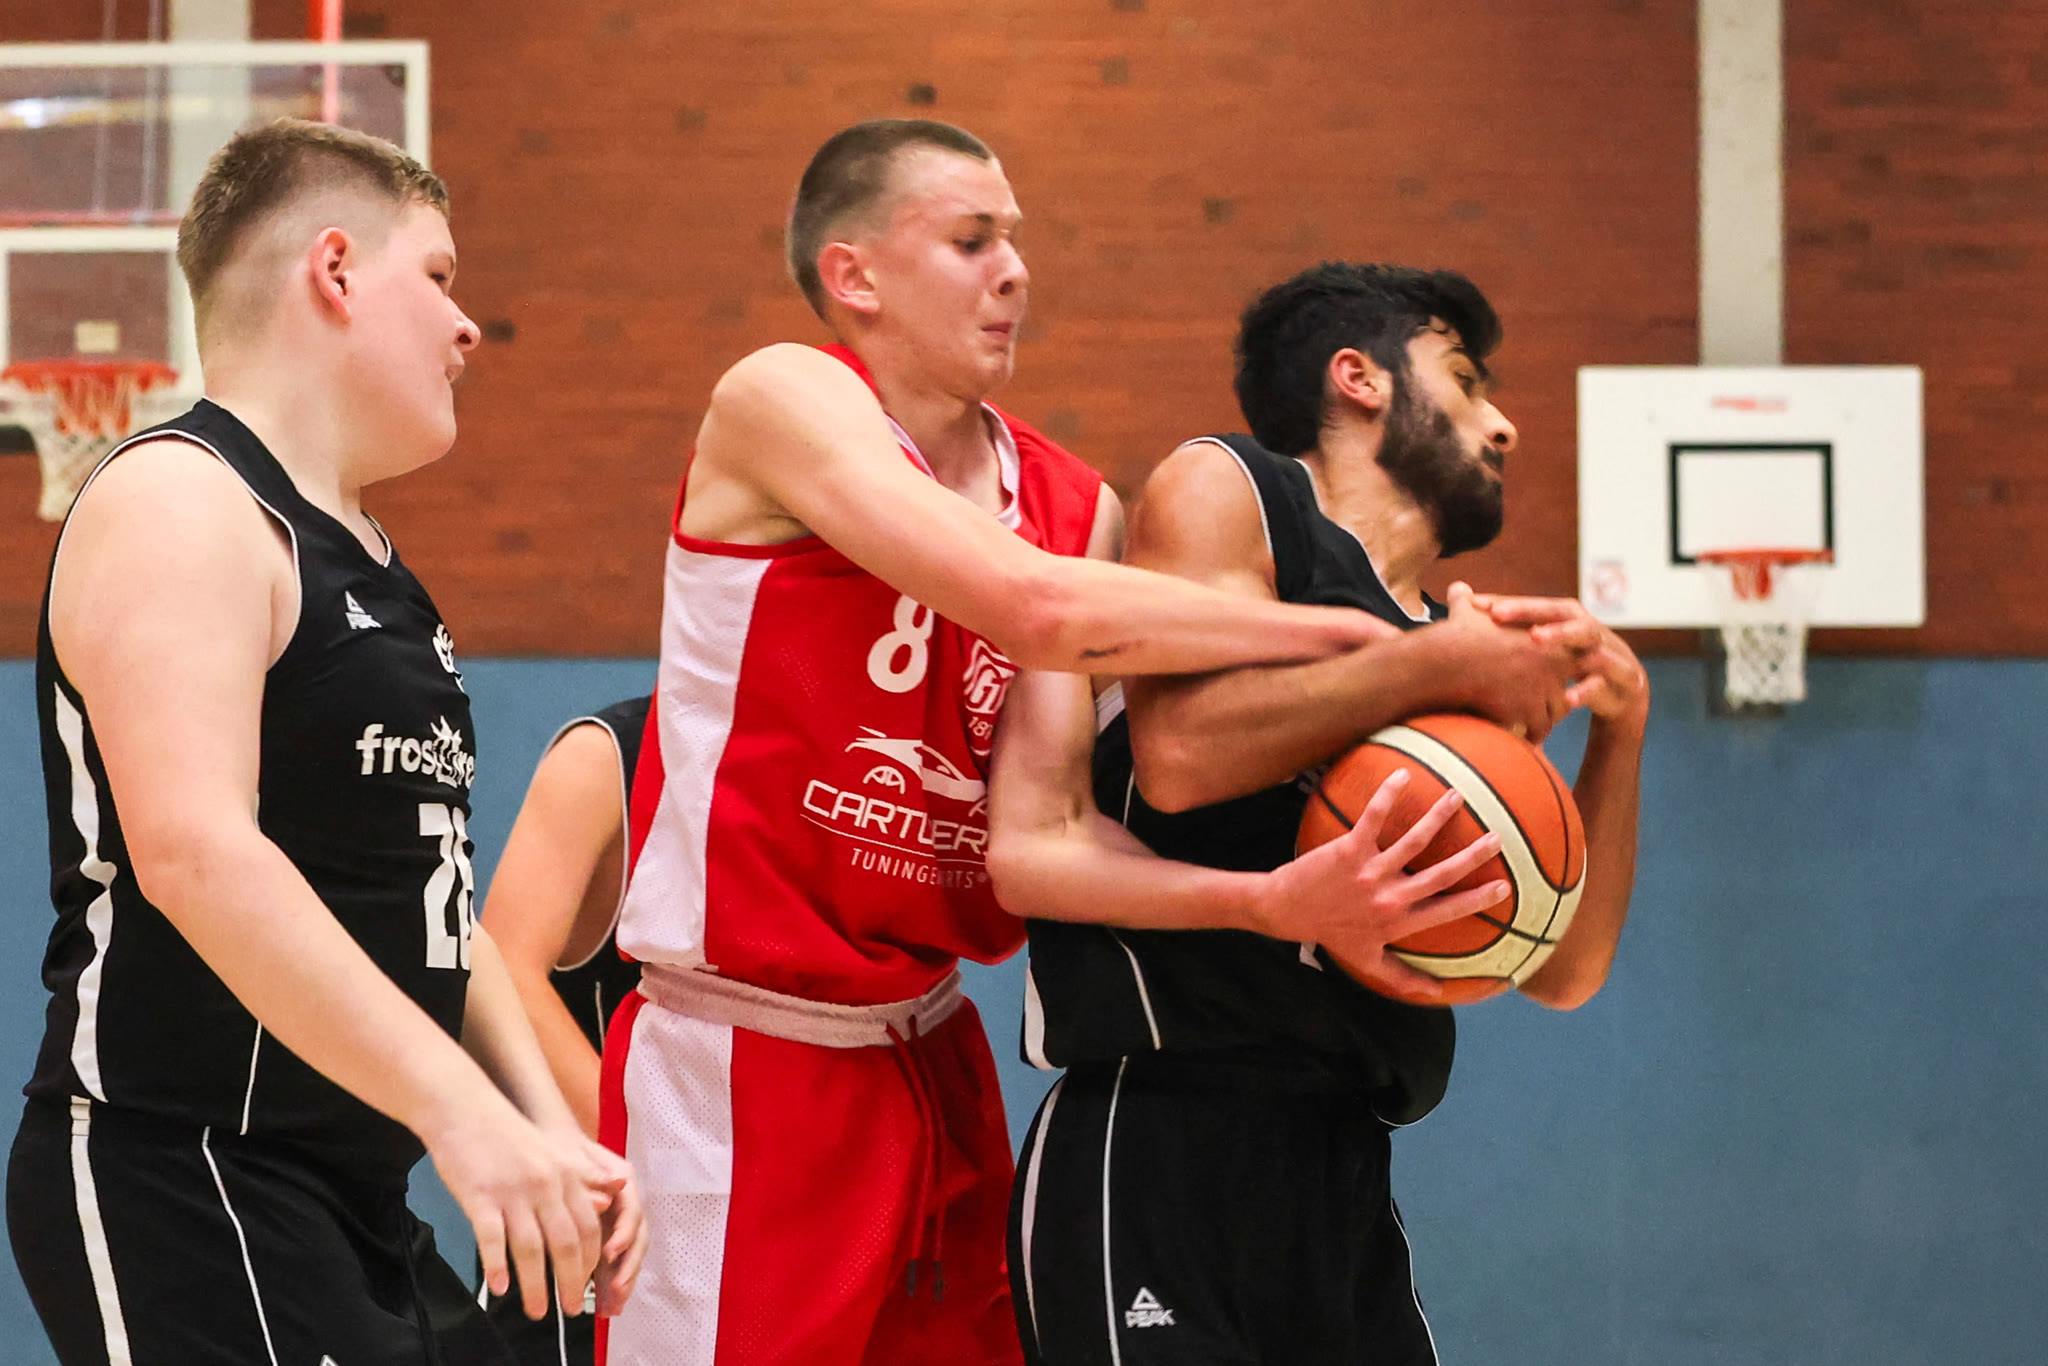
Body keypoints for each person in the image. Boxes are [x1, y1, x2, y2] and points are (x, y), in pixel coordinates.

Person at [603, 120, 1572, 1366]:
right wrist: (1391, 648)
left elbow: (1038, 847)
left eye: (1014, 240)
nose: (1014, 270)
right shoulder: (783, 395)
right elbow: (1036, 609)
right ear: (854, 275)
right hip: (741, 1045)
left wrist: (1265, 900)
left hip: (929, 1047)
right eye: (971, 240)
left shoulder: (1074, 504)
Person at [7, 119, 644, 1366]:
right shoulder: (179, 498)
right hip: (186, 1173)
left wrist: (545, 1123)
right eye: (440, 277)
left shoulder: (375, 571)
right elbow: (195, 854)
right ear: (336, 270)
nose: (467, 326)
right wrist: (463, 1117)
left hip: (352, 1192)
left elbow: (438, 915)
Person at [1002, 263, 1647, 1365]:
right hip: (1157, 1137)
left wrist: (1620, 729)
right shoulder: (1237, 492)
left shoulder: (1451, 659)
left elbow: (1559, 970)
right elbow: (1179, 755)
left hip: (1341, 1164)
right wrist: (1433, 664)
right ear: (1359, 377)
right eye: (1464, 379)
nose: (1502, 425)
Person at [479, 694, 654, 1364]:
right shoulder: (603, 759)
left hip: (764, 1213)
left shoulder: (819, 769)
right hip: (604, 1226)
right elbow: (503, 970)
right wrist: (654, 1171)